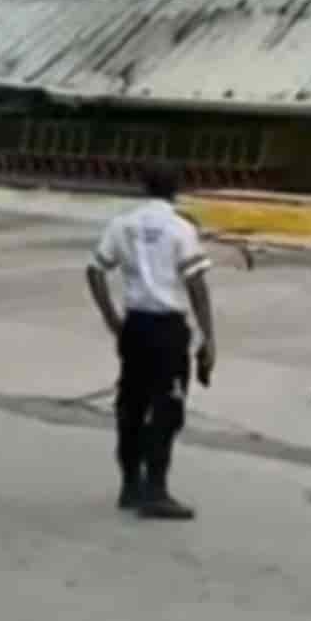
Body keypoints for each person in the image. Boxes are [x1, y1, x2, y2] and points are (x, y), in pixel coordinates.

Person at [85, 162, 215, 520]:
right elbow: (196, 284)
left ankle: (130, 484)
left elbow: (95, 270)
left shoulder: (123, 224)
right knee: (167, 409)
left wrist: (112, 320)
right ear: (177, 188)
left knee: (132, 405)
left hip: (135, 326)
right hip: (167, 329)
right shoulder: (180, 228)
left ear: (144, 186)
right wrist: (208, 337)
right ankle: (156, 489)